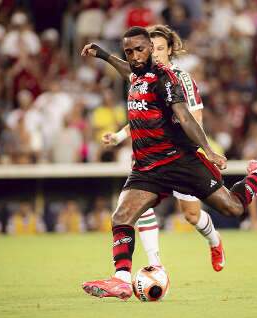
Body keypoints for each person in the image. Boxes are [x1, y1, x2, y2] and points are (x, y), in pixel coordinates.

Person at [80, 26, 257, 300]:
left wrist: (209, 151)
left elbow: (187, 118)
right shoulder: (136, 76)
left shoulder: (167, 79)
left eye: (141, 49)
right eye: (129, 52)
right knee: (121, 216)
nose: (135, 56)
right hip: (147, 168)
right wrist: (104, 55)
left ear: (152, 49)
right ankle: (120, 280)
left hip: (180, 161)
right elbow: (127, 71)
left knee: (233, 208)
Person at [90, 25, 225, 273]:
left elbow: (193, 119)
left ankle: (214, 242)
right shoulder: (142, 76)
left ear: (169, 50)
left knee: (191, 216)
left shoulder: (181, 80)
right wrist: (120, 135)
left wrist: (201, 149)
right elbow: (144, 115)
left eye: (162, 48)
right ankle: (155, 264)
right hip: (150, 158)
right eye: (154, 49)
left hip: (180, 155)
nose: (157, 54)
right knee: (139, 206)